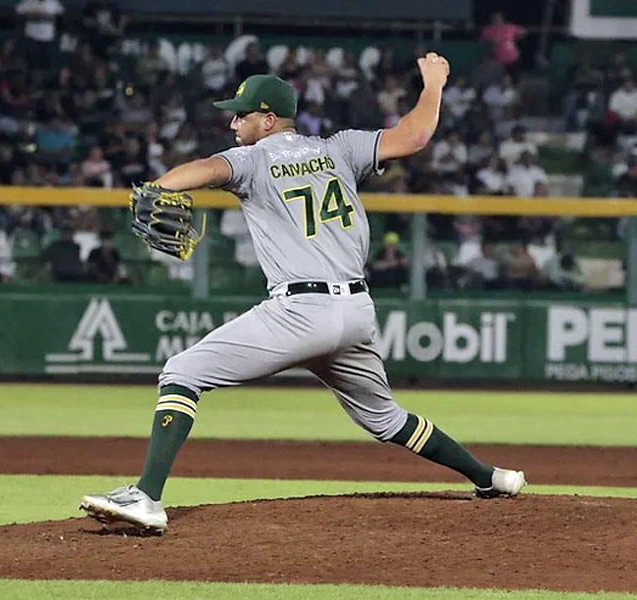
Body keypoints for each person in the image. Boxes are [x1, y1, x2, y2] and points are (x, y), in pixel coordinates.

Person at [80, 56, 526, 534]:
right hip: (356, 310)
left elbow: (208, 169)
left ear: (268, 119)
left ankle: (147, 497)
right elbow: (414, 135)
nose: (233, 122)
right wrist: (434, 84)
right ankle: (491, 477)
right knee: (386, 419)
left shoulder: (253, 158)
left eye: (242, 114)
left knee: (182, 371)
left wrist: (158, 185)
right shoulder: (340, 149)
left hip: (300, 311)